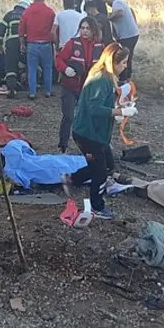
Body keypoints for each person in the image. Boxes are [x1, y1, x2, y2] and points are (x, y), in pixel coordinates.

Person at [62, 43, 137, 220]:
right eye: (124, 62)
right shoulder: (101, 80)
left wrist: (120, 107)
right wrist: (119, 112)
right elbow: (95, 109)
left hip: (97, 133)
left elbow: (103, 104)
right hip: (88, 134)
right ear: (114, 62)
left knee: (107, 165)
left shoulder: (107, 78)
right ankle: (97, 206)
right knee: (100, 172)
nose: (125, 66)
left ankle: (71, 178)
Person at [55, 16, 104, 153]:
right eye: (82, 28)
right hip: (70, 86)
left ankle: (89, 147)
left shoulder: (100, 47)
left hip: (88, 89)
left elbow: (106, 66)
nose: (85, 31)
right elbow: (59, 59)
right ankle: (62, 145)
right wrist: (65, 69)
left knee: (88, 117)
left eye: (88, 28)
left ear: (93, 30)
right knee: (68, 116)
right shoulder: (72, 43)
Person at [19, 0, 56, 99]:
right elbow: (53, 28)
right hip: (46, 44)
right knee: (48, 68)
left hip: (32, 44)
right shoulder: (50, 12)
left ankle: (32, 93)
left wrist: (22, 43)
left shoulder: (27, 12)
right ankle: (48, 91)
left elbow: (21, 29)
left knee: (32, 69)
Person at [0, 0, 31, 98]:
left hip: (11, 44)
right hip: (24, 43)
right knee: (26, 64)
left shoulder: (9, 15)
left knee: (10, 66)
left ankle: (12, 88)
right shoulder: (28, 15)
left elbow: (0, 31)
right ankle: (28, 85)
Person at [104, 0, 139, 83]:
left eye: (106, 1)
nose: (107, 4)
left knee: (123, 56)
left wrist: (109, 18)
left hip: (128, 36)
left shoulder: (117, 2)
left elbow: (120, 13)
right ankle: (127, 77)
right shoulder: (121, 2)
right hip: (132, 34)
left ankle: (124, 79)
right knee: (128, 55)